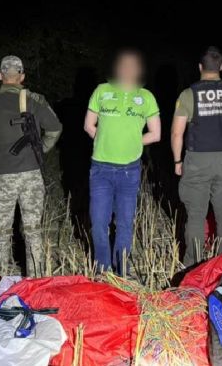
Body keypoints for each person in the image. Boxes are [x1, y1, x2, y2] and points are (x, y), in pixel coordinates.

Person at [0, 55, 62, 276]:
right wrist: (41, 149)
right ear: (22, 76)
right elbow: (55, 128)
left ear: (0, 76)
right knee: (33, 231)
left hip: (1, 178)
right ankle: (36, 281)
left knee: (0, 233)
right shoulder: (35, 99)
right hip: (31, 175)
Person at [171, 46, 222, 266]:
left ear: (200, 67)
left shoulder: (188, 94)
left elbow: (177, 133)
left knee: (196, 216)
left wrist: (177, 160)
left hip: (197, 161)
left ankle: (193, 265)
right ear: (221, 67)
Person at [84, 49, 161, 274]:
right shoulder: (102, 91)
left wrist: (133, 142)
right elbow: (88, 125)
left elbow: (155, 134)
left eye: (132, 66)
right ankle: (102, 270)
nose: (127, 70)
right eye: (123, 65)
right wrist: (104, 140)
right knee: (99, 223)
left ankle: (122, 271)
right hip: (100, 169)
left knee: (125, 223)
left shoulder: (146, 97)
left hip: (129, 171)